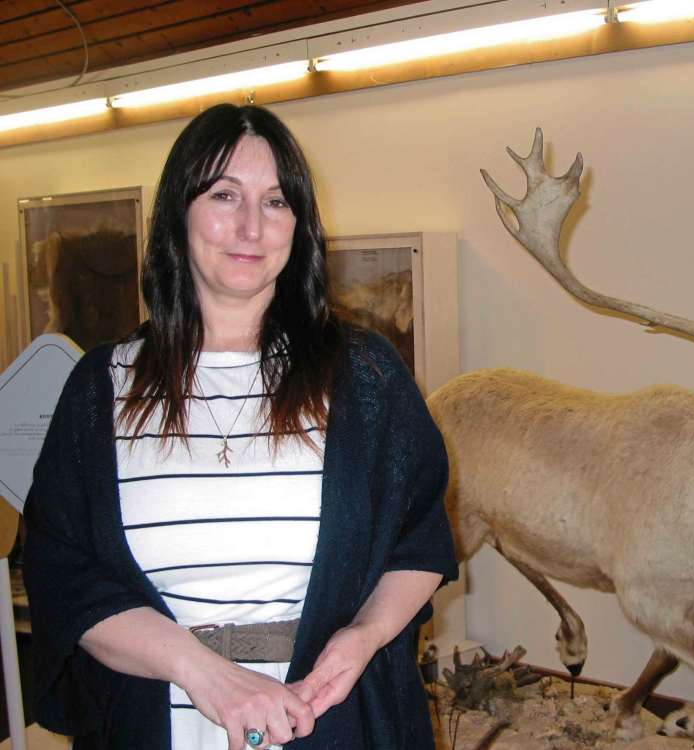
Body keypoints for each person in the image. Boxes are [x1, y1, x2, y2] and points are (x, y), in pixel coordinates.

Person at [23, 103, 458, 749]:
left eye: (277, 202)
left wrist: (363, 637)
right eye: (225, 194)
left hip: (334, 717)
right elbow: (62, 572)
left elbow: (418, 542)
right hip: (156, 720)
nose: (251, 226)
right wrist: (205, 674)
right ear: (180, 213)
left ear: (301, 224)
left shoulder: (365, 377)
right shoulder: (101, 385)